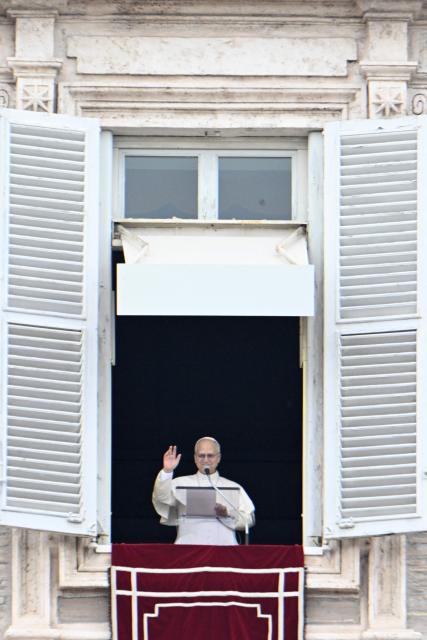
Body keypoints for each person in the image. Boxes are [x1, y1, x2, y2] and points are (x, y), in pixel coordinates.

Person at [152, 436, 255, 545]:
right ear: (195, 458)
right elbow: (161, 498)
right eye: (201, 455)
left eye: (210, 455)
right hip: (188, 550)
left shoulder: (234, 487)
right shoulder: (180, 483)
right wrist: (167, 471)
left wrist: (227, 514)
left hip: (225, 551)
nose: (205, 459)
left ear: (218, 458)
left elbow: (248, 520)